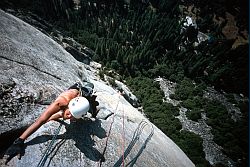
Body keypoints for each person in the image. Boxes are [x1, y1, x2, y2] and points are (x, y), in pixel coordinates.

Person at [4, 81, 99, 164]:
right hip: (74, 93)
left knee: (89, 104)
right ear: (68, 106)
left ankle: (92, 101)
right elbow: (40, 121)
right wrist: (20, 141)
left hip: (81, 97)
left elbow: (68, 115)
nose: (69, 117)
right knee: (54, 117)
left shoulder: (79, 107)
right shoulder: (60, 103)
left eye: (73, 116)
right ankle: (85, 89)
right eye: (70, 113)